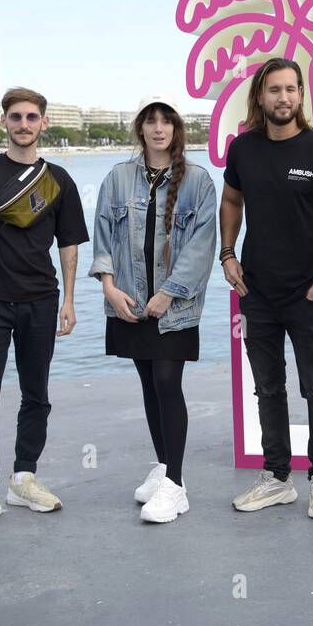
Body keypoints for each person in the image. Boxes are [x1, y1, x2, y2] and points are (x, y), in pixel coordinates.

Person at [0, 87, 90, 531]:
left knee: (36, 396)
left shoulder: (58, 179)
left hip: (41, 300)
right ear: (3, 121)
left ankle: (23, 478)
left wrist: (69, 298)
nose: (24, 124)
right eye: (16, 117)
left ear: (44, 123)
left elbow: (69, 243)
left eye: (31, 117)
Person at [219, 56, 313, 519]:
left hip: (308, 292)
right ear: (260, 95)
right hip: (257, 290)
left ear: (301, 95)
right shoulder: (243, 149)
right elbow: (231, 200)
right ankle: (277, 478)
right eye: (274, 89)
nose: (284, 98)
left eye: (291, 89)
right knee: (268, 388)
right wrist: (228, 253)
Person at [89, 95, 217, 523]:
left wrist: (170, 293)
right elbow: (103, 235)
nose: (159, 128)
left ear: (177, 129)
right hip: (129, 301)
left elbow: (201, 246)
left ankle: (176, 486)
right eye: (151, 121)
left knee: (167, 380)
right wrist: (109, 287)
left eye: (167, 121)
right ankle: (163, 468)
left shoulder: (198, 181)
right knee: (147, 382)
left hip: (173, 307)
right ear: (140, 128)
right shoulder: (118, 177)